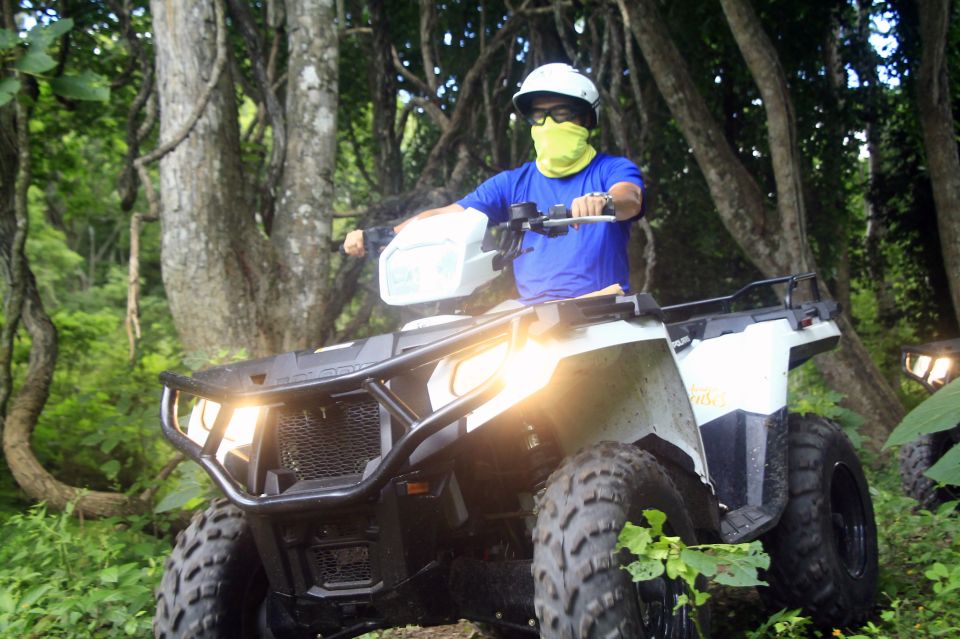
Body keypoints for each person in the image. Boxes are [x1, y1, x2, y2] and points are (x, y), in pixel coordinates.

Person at [342, 62, 645, 305]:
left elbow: (629, 198)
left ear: (586, 120)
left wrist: (603, 201)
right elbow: (447, 216)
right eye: (539, 116)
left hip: (603, 308)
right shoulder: (513, 184)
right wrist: (381, 235)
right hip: (535, 316)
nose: (548, 125)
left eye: (561, 114)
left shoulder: (611, 169)